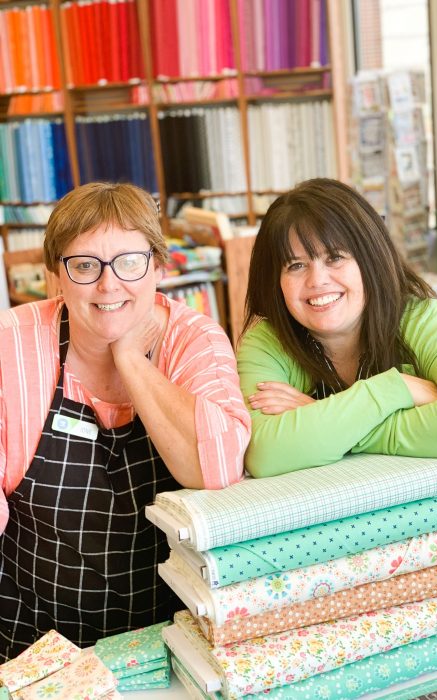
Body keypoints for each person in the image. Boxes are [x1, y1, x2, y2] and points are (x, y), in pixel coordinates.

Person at [0, 182, 250, 661]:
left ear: (159, 264)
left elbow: (216, 469)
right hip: (34, 649)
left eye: (129, 261)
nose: (108, 285)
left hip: (176, 646)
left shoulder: (193, 338)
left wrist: (131, 359)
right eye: (85, 265)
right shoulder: (12, 345)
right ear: (57, 275)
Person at [237, 178, 437, 478]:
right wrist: (395, 390)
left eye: (335, 257)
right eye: (296, 266)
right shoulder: (266, 342)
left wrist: (321, 414)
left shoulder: (424, 320)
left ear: (370, 259)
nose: (317, 281)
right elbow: (262, 454)